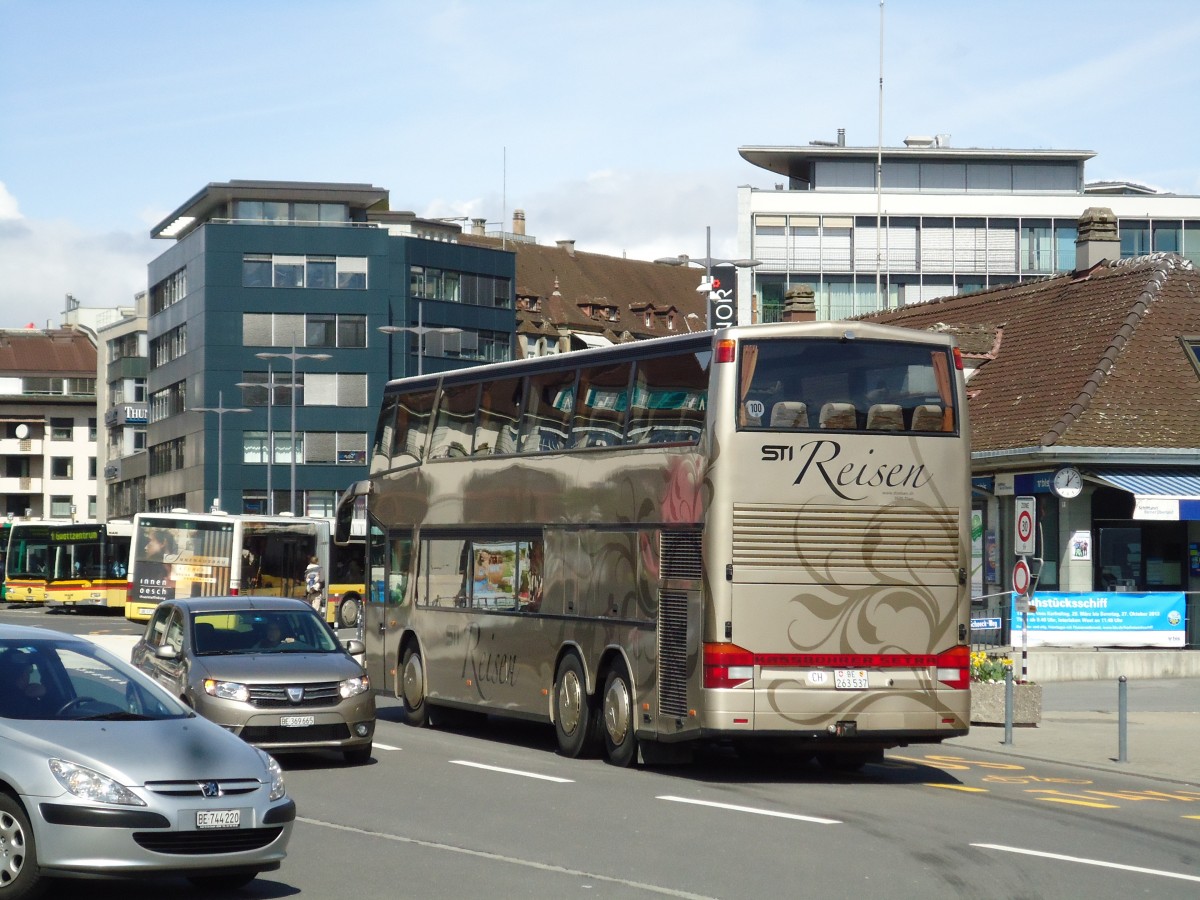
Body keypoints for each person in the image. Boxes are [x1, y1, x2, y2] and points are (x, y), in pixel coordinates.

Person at [0, 653, 48, 718]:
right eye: (29, 670)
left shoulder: (6, 697)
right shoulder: (22, 703)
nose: (29, 674)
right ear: (23, 674)